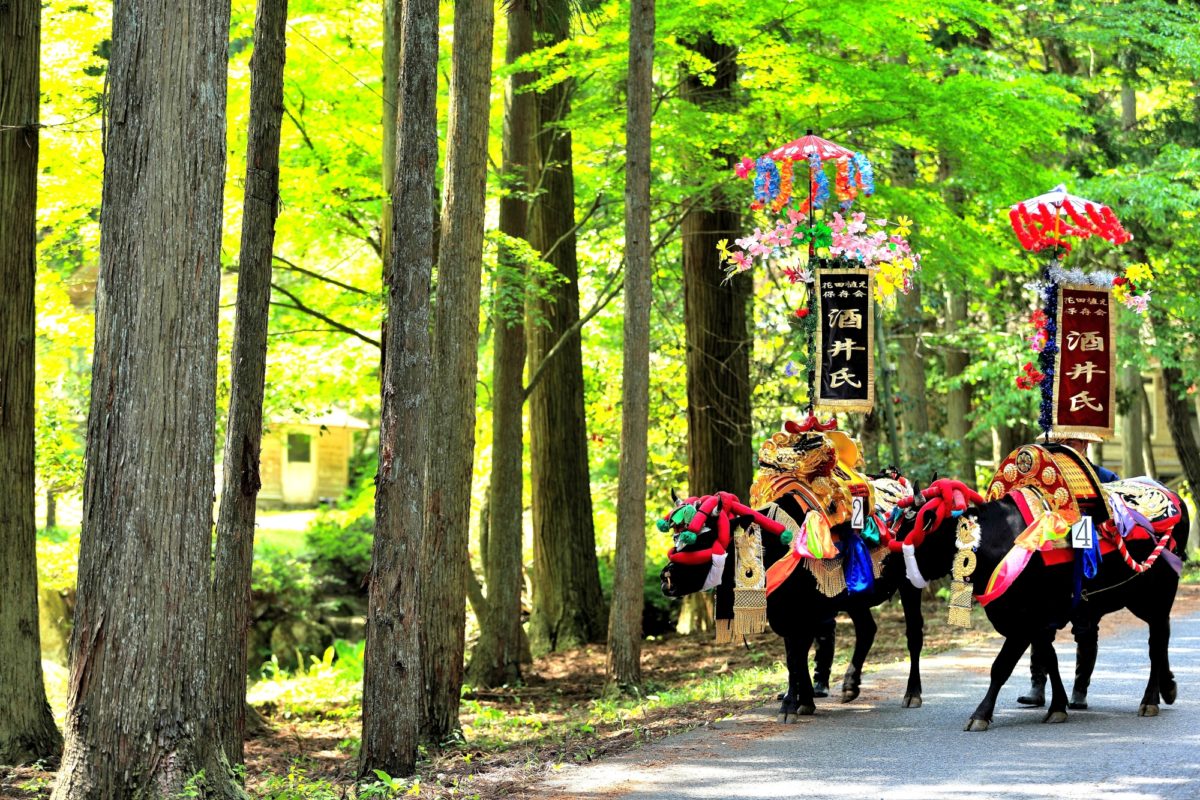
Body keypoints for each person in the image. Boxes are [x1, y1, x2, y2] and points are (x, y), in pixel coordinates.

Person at [1017, 435, 1115, 709]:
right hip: (1051, 564)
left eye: (1073, 441)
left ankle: (1080, 689)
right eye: (1062, 440)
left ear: (1085, 445)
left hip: (1087, 567)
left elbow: (1111, 518)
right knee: (1041, 626)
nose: (1067, 446)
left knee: (1085, 626)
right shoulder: (1043, 477)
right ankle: (1038, 686)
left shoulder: (1103, 477)